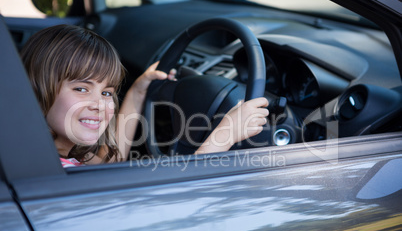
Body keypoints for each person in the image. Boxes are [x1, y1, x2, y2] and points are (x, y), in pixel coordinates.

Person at [21, 24, 269, 167]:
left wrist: (138, 92)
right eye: (81, 89)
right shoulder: (50, 174)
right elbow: (178, 198)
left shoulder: (55, 154)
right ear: (37, 89)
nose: (99, 104)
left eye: (107, 92)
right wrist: (225, 134)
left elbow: (108, 166)